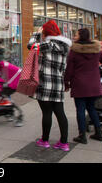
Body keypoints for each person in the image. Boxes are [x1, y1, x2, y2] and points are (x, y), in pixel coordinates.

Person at [28, 20, 72, 152]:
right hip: (58, 83)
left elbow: (30, 46)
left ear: (46, 33)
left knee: (46, 112)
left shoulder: (47, 45)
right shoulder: (65, 47)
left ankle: (45, 140)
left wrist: (36, 34)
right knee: (60, 113)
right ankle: (64, 142)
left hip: (45, 84)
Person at [64, 28, 102, 144]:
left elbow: (69, 70)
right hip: (94, 84)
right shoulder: (96, 49)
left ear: (81, 36)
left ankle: (82, 135)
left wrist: (66, 82)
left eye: (76, 35)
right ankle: (99, 133)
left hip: (79, 84)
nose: (74, 36)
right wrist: (100, 73)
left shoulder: (74, 51)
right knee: (92, 108)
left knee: (80, 109)